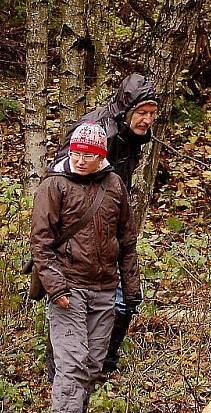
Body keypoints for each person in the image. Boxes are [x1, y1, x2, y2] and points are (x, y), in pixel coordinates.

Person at [32, 122, 140, 413]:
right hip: (68, 288)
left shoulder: (115, 185)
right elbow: (41, 243)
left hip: (105, 289)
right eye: (77, 152)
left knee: (92, 364)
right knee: (72, 361)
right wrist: (57, 289)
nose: (80, 159)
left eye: (88, 154)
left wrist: (131, 290)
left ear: (101, 157)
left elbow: (127, 242)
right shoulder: (55, 185)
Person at [50, 73, 159, 377]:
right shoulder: (100, 134)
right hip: (80, 235)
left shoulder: (131, 135)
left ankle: (103, 366)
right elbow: (61, 180)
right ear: (127, 110)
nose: (148, 120)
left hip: (109, 227)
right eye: (142, 113)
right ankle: (65, 370)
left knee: (124, 298)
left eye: (152, 113)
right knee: (78, 303)